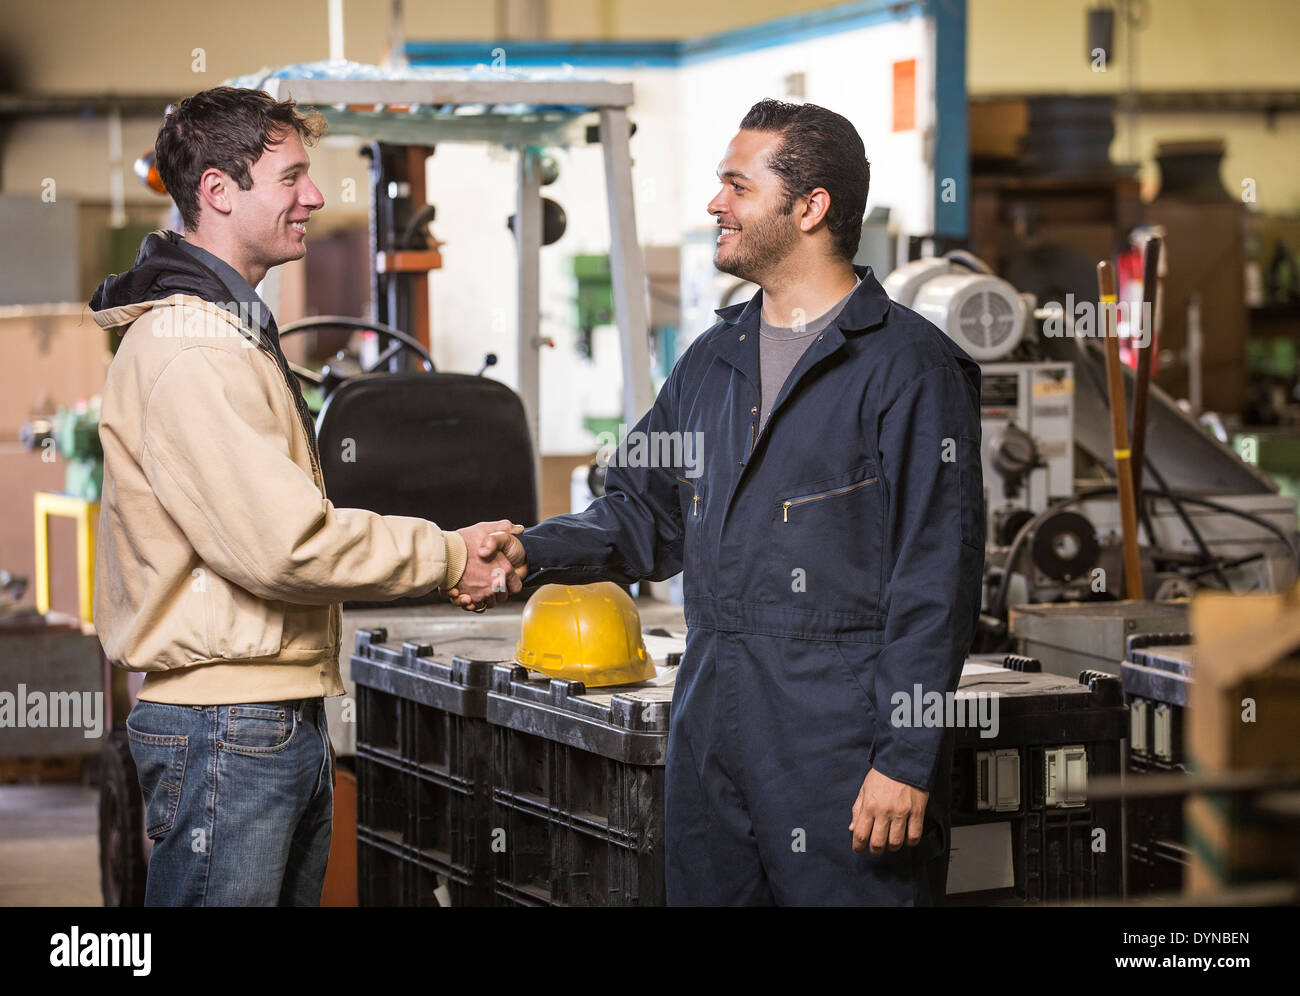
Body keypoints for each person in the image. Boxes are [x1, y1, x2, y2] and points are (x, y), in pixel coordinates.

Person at [474, 99, 985, 905]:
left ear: (810, 208)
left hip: (840, 742)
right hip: (713, 720)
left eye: (737, 186)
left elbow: (937, 580)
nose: (717, 204)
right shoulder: (713, 360)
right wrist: (530, 551)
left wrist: (904, 757)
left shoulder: (910, 369)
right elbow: (641, 514)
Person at [90, 86, 520, 906]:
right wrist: (447, 554)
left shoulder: (227, 333)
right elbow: (285, 545)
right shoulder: (194, 350)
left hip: (265, 716)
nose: (314, 197)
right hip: (230, 727)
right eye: (290, 178)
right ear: (218, 192)